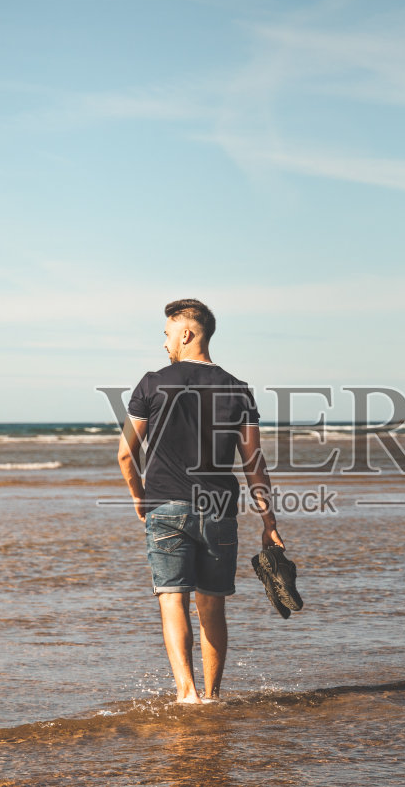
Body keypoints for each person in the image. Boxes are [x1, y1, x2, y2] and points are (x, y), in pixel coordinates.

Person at [117, 299, 283, 704]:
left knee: (172, 599)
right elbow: (253, 464)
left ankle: (186, 695)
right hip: (218, 510)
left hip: (165, 508)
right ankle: (211, 696)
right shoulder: (238, 390)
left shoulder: (152, 384)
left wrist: (139, 498)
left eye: (168, 333)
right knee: (212, 605)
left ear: (187, 333)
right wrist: (269, 523)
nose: (165, 343)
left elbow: (125, 454)